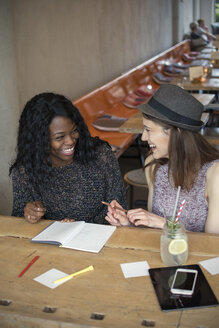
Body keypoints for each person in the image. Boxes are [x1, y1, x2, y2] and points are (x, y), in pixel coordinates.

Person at [105, 84, 219, 234]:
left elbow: (212, 246)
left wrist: (164, 224)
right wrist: (129, 224)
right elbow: (153, 232)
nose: (144, 138)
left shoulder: (214, 174)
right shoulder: (153, 165)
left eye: (148, 130)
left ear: (175, 133)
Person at [9, 93, 126, 224]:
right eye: (59, 137)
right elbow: (18, 222)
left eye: (74, 131)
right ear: (38, 140)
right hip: (50, 243)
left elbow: (119, 209)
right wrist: (29, 214)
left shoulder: (100, 155)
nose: (70, 141)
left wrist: (79, 227)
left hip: (100, 239)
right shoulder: (25, 171)